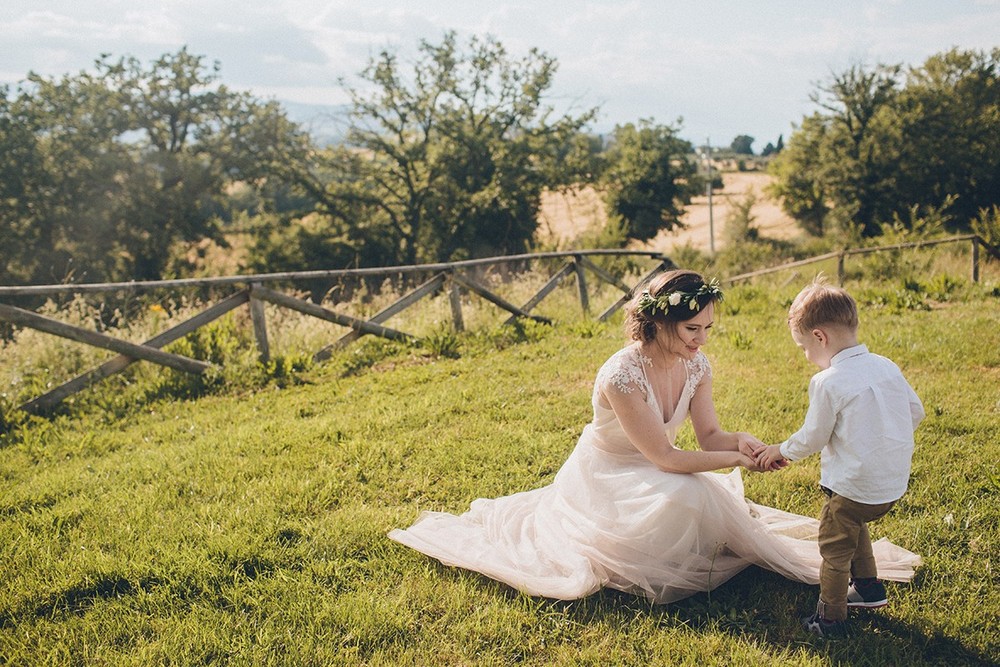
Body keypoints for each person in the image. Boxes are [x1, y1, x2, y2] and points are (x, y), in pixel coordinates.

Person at [389, 270, 920, 604]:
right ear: (658, 325)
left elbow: (709, 432)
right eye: (693, 330)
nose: (702, 340)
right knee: (683, 493)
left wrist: (744, 442)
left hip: (663, 463)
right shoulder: (622, 374)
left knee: (695, 497)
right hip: (610, 473)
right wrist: (738, 463)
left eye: (707, 329)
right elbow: (666, 456)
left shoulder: (697, 365)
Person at [756, 278, 924, 638]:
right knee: (854, 523)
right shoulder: (885, 365)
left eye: (803, 347)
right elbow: (915, 411)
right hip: (890, 485)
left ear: (820, 337)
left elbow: (813, 437)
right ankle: (868, 588)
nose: (806, 356)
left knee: (834, 546)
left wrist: (779, 451)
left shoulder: (828, 381)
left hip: (851, 486)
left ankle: (830, 618)